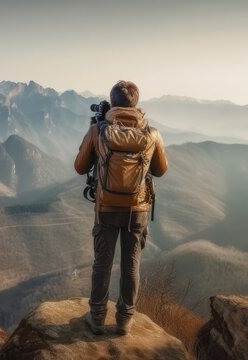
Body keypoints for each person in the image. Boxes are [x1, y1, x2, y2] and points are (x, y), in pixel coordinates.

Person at [74, 80, 168, 335]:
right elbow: (160, 170)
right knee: (131, 265)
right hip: (137, 212)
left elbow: (80, 167)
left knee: (102, 264)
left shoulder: (99, 131)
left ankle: (96, 318)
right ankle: (125, 321)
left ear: (112, 103)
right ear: (136, 104)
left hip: (106, 209)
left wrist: (95, 137)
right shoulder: (152, 134)